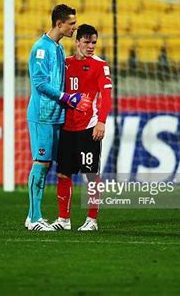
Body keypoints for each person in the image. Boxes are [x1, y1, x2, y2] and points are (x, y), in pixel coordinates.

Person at [25, 4, 91, 231]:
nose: (75, 27)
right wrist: (67, 98)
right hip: (42, 114)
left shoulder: (59, 48)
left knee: (46, 165)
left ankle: (34, 217)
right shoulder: (41, 49)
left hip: (56, 115)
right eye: (72, 24)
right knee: (41, 163)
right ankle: (34, 218)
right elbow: (40, 84)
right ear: (59, 23)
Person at [49, 24, 112, 231]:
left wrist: (101, 121)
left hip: (89, 127)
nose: (91, 46)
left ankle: (92, 220)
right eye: (86, 41)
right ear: (77, 42)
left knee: (91, 174)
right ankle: (63, 219)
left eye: (94, 42)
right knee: (63, 174)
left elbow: (107, 97)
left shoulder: (100, 66)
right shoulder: (65, 64)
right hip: (66, 128)